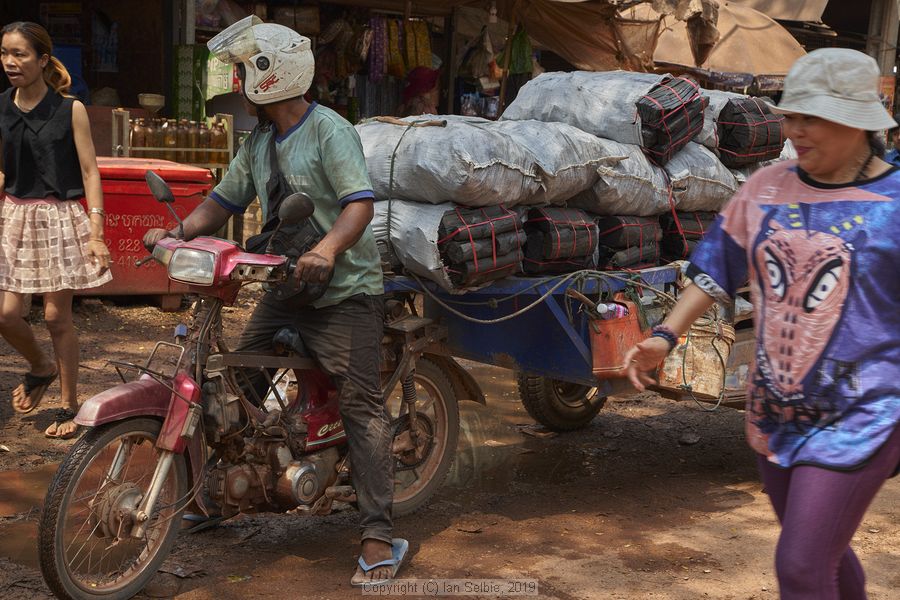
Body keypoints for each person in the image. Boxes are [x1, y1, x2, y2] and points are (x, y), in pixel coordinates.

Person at [626, 48, 900, 599]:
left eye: (810, 118)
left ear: (856, 121)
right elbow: (715, 270)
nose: (793, 130)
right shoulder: (767, 186)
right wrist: (663, 336)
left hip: (863, 414)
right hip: (775, 411)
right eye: (790, 115)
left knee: (800, 566)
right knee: (824, 553)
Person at [142, 16, 404, 587]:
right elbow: (223, 200)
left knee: (362, 407)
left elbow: (359, 204)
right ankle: (214, 493)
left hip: (344, 292)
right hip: (285, 286)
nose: (238, 79)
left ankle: (378, 533)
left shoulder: (329, 129)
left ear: (273, 72)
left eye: (244, 68)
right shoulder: (258, 141)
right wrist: (176, 234)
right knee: (235, 385)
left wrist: (330, 249)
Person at [0, 21, 111, 438]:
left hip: (59, 218)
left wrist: (96, 232)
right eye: (5, 53)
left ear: (43, 59)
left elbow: (89, 171)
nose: (10, 62)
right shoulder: (0, 107)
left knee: (55, 317)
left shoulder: (70, 109)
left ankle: (68, 404)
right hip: (14, 217)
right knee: (7, 315)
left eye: (20, 54)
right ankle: (40, 366)